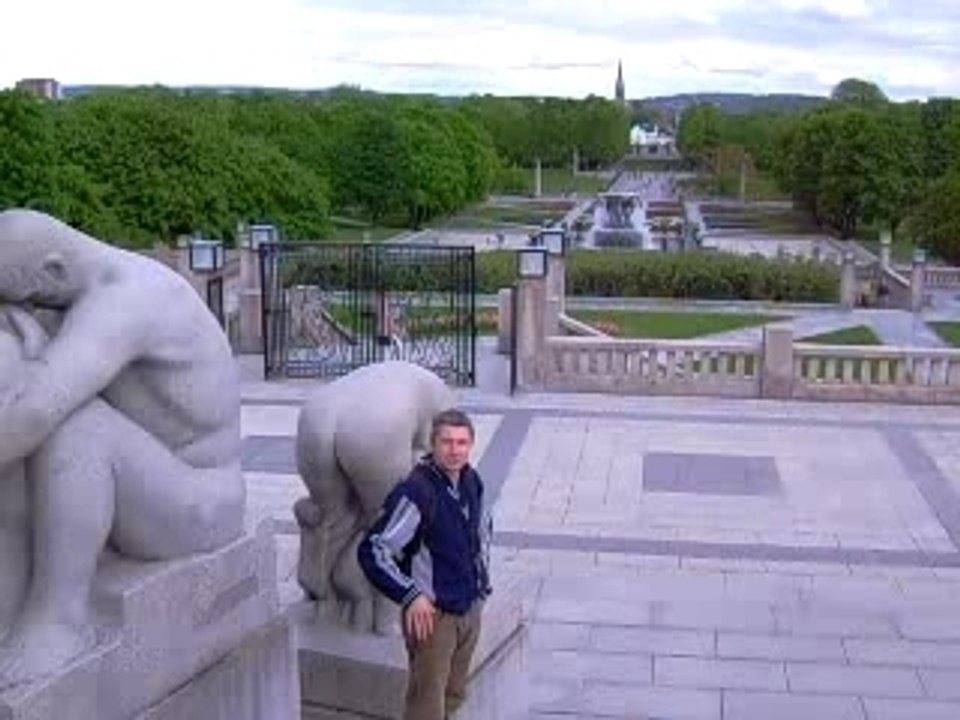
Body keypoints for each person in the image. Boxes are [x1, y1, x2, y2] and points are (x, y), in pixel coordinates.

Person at [0, 209, 246, 689]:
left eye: (24, 296)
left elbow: (33, 413)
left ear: (52, 270)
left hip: (202, 502)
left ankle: (59, 619)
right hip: (152, 481)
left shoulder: (127, 297)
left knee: (76, 426)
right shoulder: (68, 292)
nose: (26, 308)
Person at [358, 409, 492, 720]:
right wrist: (411, 595)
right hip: (434, 618)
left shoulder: (472, 481)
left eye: (462, 442)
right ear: (433, 444)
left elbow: (481, 534)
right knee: (425, 709)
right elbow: (373, 549)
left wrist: (482, 588)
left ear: (471, 444)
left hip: (468, 609)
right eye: (447, 442)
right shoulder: (417, 491)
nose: (455, 450)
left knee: (454, 696)